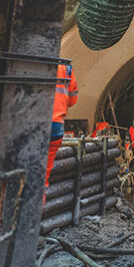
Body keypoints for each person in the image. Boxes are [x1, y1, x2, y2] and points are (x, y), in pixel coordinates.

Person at [46, 64, 78, 192]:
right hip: (56, 126)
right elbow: (73, 100)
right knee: (42, 175)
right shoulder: (65, 67)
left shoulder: (22, 60)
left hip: (28, 124)